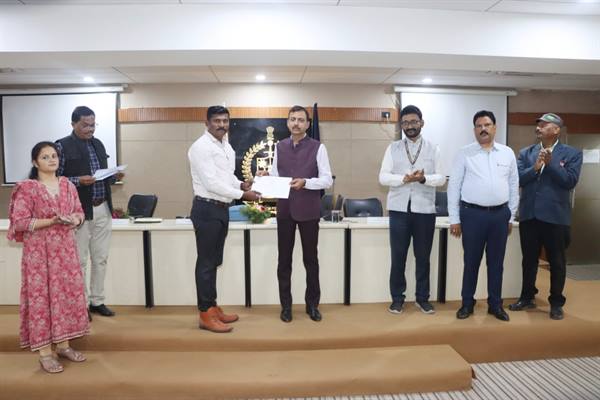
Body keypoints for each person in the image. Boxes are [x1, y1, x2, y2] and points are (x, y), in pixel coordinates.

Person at [7, 142, 89, 374]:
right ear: (35, 162)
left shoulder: (67, 185)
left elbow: (79, 212)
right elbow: (20, 223)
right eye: (45, 157)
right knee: (42, 300)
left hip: (65, 252)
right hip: (39, 255)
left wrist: (75, 219)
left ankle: (63, 346)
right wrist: (52, 221)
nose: (52, 160)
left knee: (65, 296)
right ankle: (45, 353)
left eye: (54, 156)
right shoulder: (27, 188)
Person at [188, 105, 260, 333]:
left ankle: (212, 307)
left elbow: (226, 177)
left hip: (221, 209)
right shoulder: (200, 147)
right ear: (207, 123)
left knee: (213, 262)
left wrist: (241, 184)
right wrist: (243, 195)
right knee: (206, 263)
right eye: (217, 121)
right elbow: (211, 183)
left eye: (225, 121)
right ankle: (205, 313)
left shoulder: (225, 145)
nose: (222, 125)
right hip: (206, 209)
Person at [261, 105, 333, 323]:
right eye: (292, 119)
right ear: (287, 122)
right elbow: (276, 176)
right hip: (285, 211)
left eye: (301, 120)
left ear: (308, 124)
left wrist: (306, 183)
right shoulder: (280, 147)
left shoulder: (318, 147)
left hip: (309, 212)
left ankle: (312, 305)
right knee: (284, 261)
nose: (296, 123)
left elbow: (327, 180)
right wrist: (265, 177)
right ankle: (286, 307)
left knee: (311, 261)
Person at [509, 113, 583, 320]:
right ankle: (527, 297)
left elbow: (570, 181)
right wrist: (535, 168)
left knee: (557, 262)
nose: (539, 128)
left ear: (556, 129)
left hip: (556, 217)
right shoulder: (526, 153)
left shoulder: (572, 154)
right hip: (529, 215)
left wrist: (550, 165)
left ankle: (556, 302)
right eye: (538, 125)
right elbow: (519, 179)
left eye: (544, 125)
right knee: (529, 260)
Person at [447, 110, 519, 322]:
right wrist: (454, 218)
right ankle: (467, 304)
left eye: (487, 125)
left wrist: (510, 216)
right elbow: (454, 186)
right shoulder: (464, 153)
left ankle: (495, 305)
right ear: (474, 130)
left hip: (500, 216)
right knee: (471, 262)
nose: (483, 129)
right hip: (472, 215)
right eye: (479, 126)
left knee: (496, 264)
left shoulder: (507, 153)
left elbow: (514, 185)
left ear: (494, 128)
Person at [56, 106, 122, 319]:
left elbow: (101, 175)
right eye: (85, 125)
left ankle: (97, 301)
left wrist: (113, 176)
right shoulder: (62, 146)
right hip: (79, 211)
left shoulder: (98, 144)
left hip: (103, 206)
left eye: (93, 125)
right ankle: (80, 305)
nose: (90, 129)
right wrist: (78, 181)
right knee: (80, 260)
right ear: (73, 123)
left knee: (100, 257)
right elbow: (55, 179)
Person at [379, 105, 446, 315]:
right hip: (399, 210)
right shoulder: (393, 148)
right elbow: (383, 177)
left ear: (421, 123)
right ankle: (397, 299)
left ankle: (422, 298)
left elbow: (441, 178)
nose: (410, 126)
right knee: (398, 257)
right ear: (401, 125)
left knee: (423, 257)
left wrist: (424, 179)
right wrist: (404, 179)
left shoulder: (434, 148)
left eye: (413, 122)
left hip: (424, 210)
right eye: (406, 123)